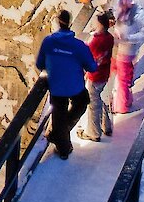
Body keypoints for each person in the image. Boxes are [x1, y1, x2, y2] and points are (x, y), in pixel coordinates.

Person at [36, 8, 98, 159]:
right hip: (75, 85)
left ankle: (62, 144)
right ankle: (61, 134)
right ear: (70, 24)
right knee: (82, 102)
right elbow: (91, 67)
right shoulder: (78, 45)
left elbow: (39, 64)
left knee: (58, 112)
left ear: (58, 22)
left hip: (55, 86)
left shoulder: (49, 42)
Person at [110, 0, 144, 114]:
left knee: (123, 80)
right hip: (117, 50)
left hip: (127, 52)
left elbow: (143, 32)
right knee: (119, 77)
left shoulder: (138, 14)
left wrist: (128, 39)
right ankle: (123, 101)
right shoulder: (120, 9)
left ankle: (122, 106)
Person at [78, 10, 114, 141]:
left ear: (100, 25)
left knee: (93, 103)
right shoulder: (109, 38)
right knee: (97, 97)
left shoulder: (96, 42)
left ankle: (93, 133)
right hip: (103, 74)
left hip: (95, 75)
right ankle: (106, 125)